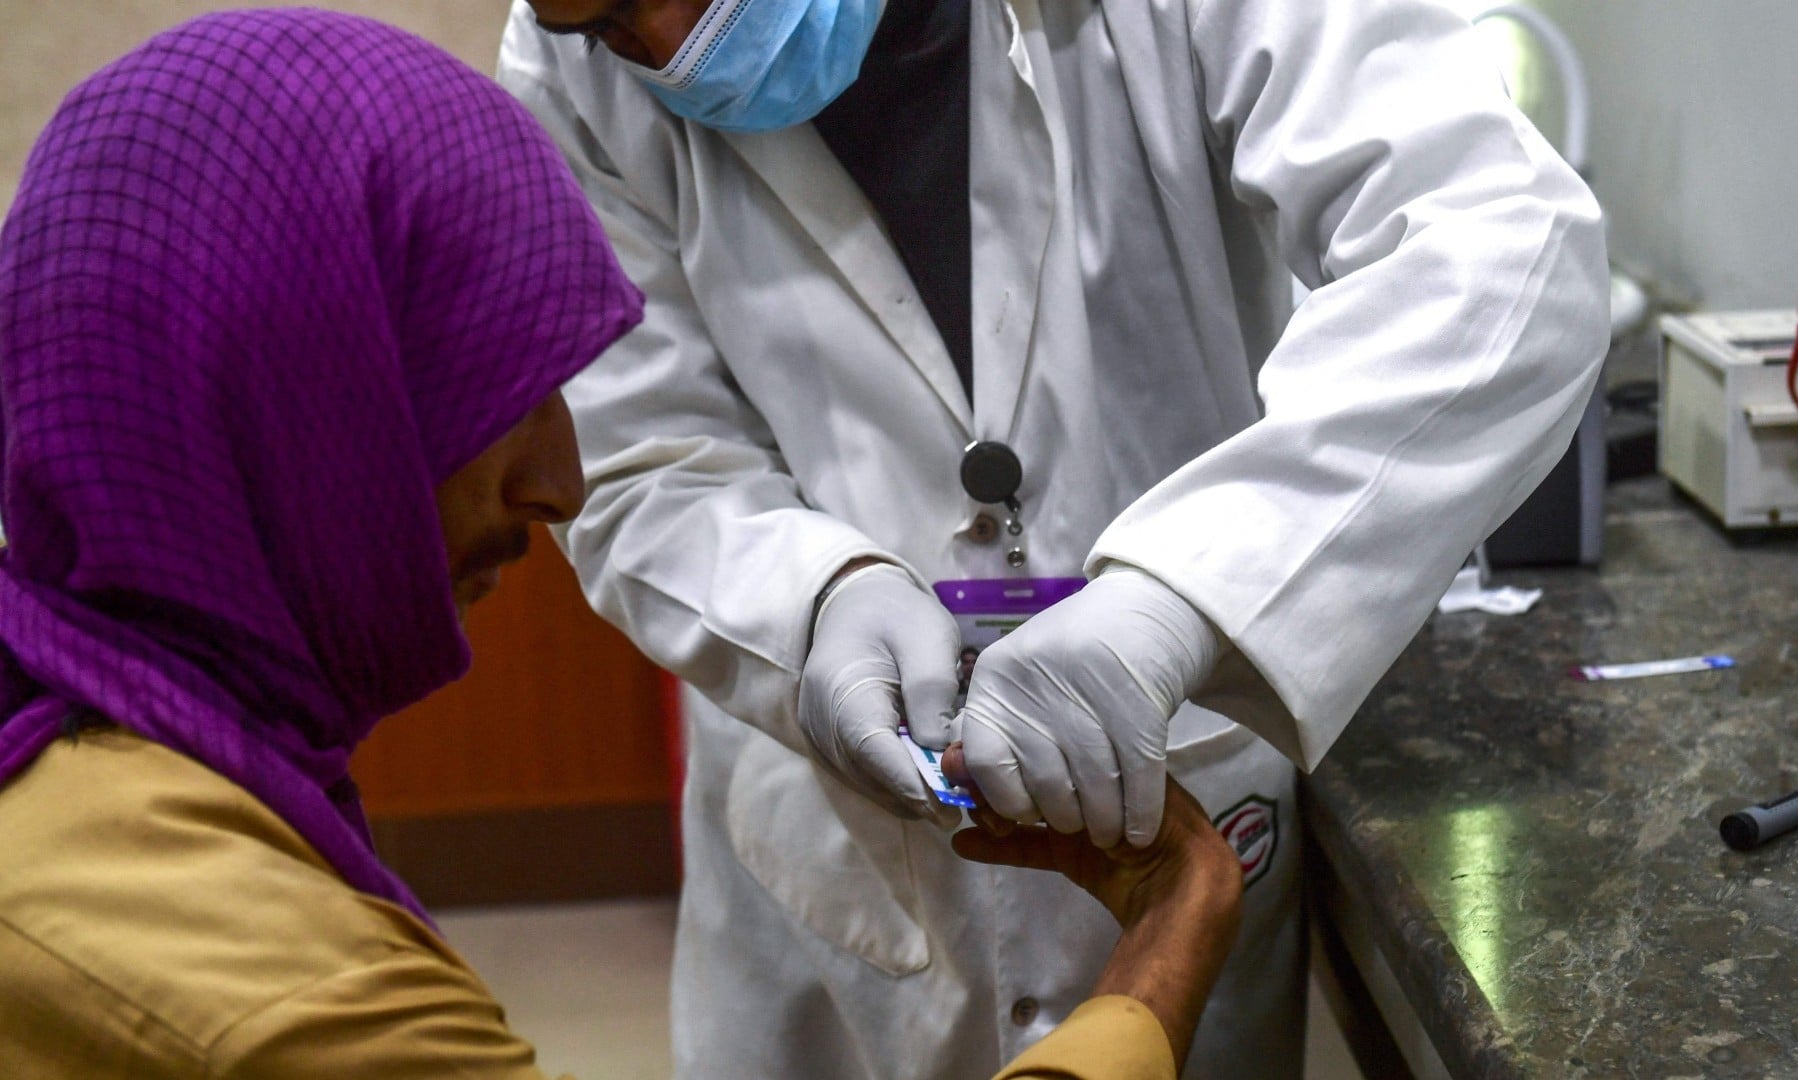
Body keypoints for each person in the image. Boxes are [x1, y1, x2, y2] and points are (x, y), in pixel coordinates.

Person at [0, 11, 1242, 1078]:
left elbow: (1439, 260)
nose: (562, 483)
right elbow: (652, 454)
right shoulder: (300, 1006)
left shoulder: (83, 799)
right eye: (482, 393)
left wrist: (1187, 603)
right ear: (293, 420)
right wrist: (1173, 944)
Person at [496, 0, 1611, 1075]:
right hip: (833, 861)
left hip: (1185, 772)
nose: (663, 51)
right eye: (592, 24)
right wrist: (811, 602)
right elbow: (634, 450)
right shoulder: (571, 80)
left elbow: (1500, 250)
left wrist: (1189, 597)